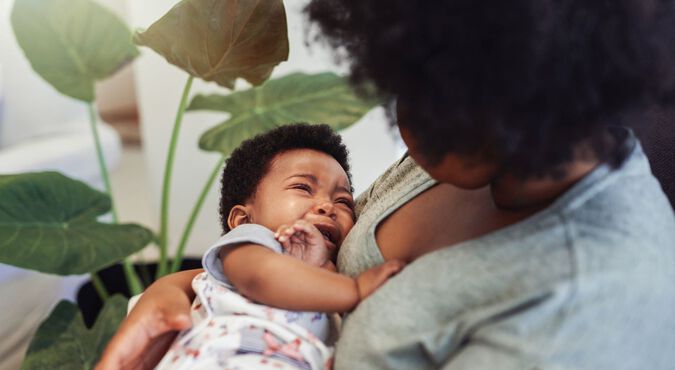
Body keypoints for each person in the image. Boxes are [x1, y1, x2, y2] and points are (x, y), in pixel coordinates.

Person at [97, 1, 675, 369]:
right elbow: (253, 266)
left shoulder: (583, 314)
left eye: (432, 95)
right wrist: (168, 296)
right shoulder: (471, 151)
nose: (405, 118)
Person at [151, 123, 404, 370]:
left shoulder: (333, 278)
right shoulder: (250, 243)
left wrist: (323, 267)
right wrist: (355, 290)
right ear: (242, 219)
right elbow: (260, 277)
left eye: (343, 201)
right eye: (303, 188)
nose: (327, 206)